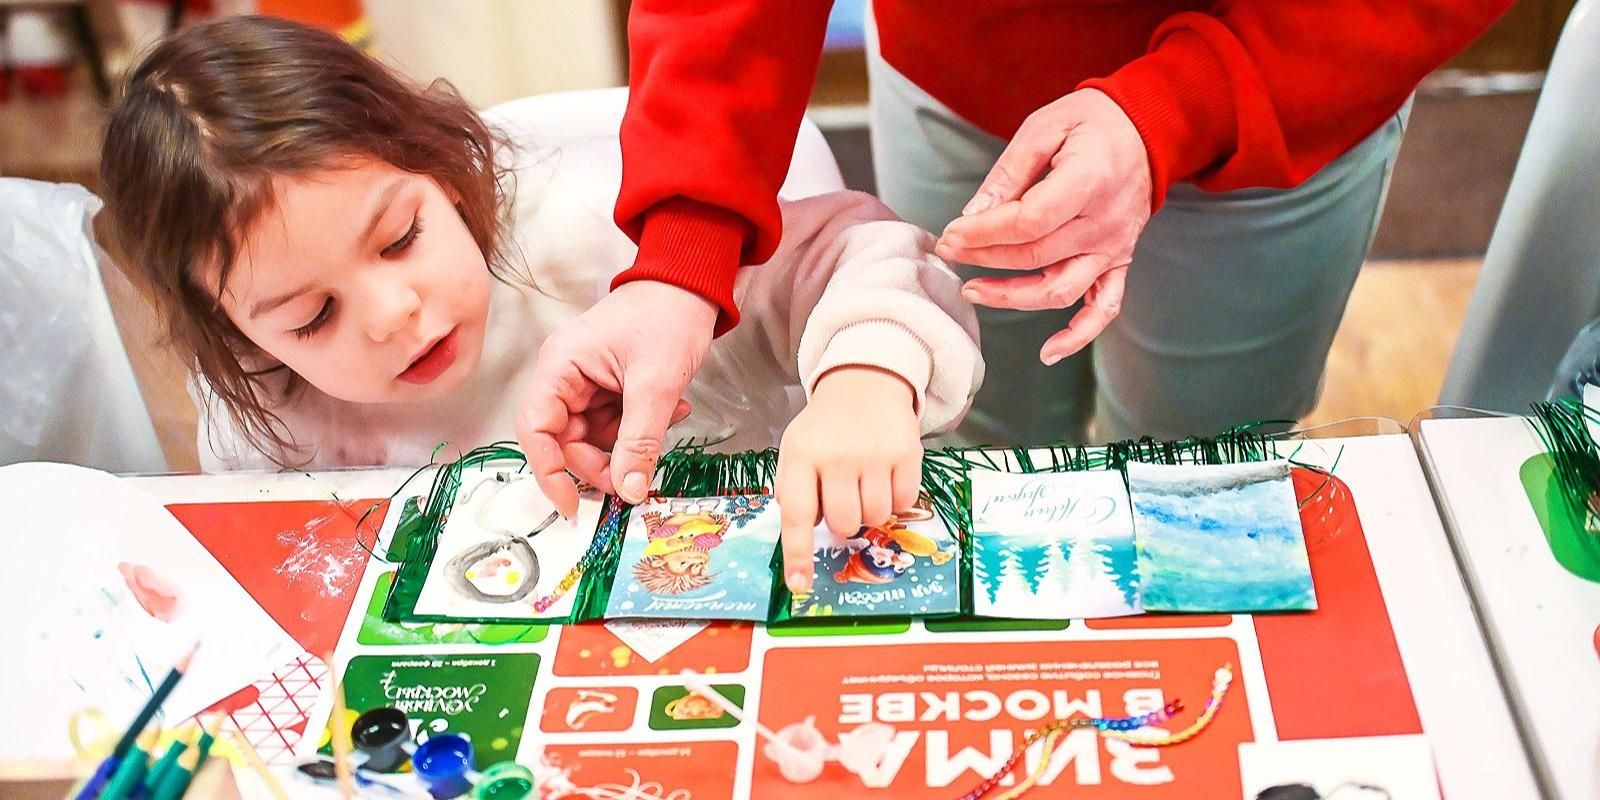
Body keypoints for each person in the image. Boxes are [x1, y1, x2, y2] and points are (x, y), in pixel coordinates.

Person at [97, 16, 983, 592]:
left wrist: (863, 380)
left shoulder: (601, 239)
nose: (392, 313)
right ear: (237, 335)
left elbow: (871, 250)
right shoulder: (262, 418)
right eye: (311, 317)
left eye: (401, 238)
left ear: (443, 171)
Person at [523, 0, 1513, 504]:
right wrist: (684, 242)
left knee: (1199, 466)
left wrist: (1187, 105)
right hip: (961, 61)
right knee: (976, 429)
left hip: (1280, 71)